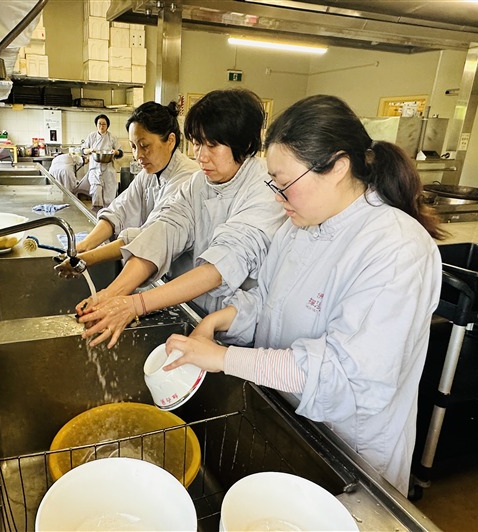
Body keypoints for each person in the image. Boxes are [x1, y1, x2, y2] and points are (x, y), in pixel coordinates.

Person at [164, 94, 447, 496]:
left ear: (337, 167)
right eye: (274, 184)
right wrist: (217, 320)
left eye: (285, 185)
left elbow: (342, 375)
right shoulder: (298, 227)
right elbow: (267, 301)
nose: (277, 198)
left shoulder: (396, 248)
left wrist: (225, 359)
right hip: (290, 419)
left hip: (350, 453)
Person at [76, 89, 286, 349]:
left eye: (212, 145)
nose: (201, 156)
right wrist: (111, 294)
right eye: (197, 144)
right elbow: (162, 232)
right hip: (197, 311)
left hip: (239, 330)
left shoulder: (265, 188)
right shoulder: (199, 183)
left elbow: (221, 266)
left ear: (243, 144)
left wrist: (135, 305)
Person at [55, 100, 199, 275]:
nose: (138, 155)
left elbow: (149, 236)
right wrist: (84, 246)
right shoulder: (149, 172)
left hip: (181, 278)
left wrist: (87, 258)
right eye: (133, 146)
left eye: (144, 146)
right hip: (156, 273)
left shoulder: (187, 179)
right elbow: (119, 211)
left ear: (170, 141)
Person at [81, 114, 123, 210]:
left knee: (109, 197)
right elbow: (83, 150)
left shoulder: (112, 137)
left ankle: (108, 216)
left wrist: (115, 152)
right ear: (96, 125)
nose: (101, 126)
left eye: (104, 124)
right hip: (95, 170)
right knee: (96, 194)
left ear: (107, 125)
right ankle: (96, 216)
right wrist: (90, 150)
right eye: (99, 124)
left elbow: (120, 153)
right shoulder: (91, 136)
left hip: (108, 171)